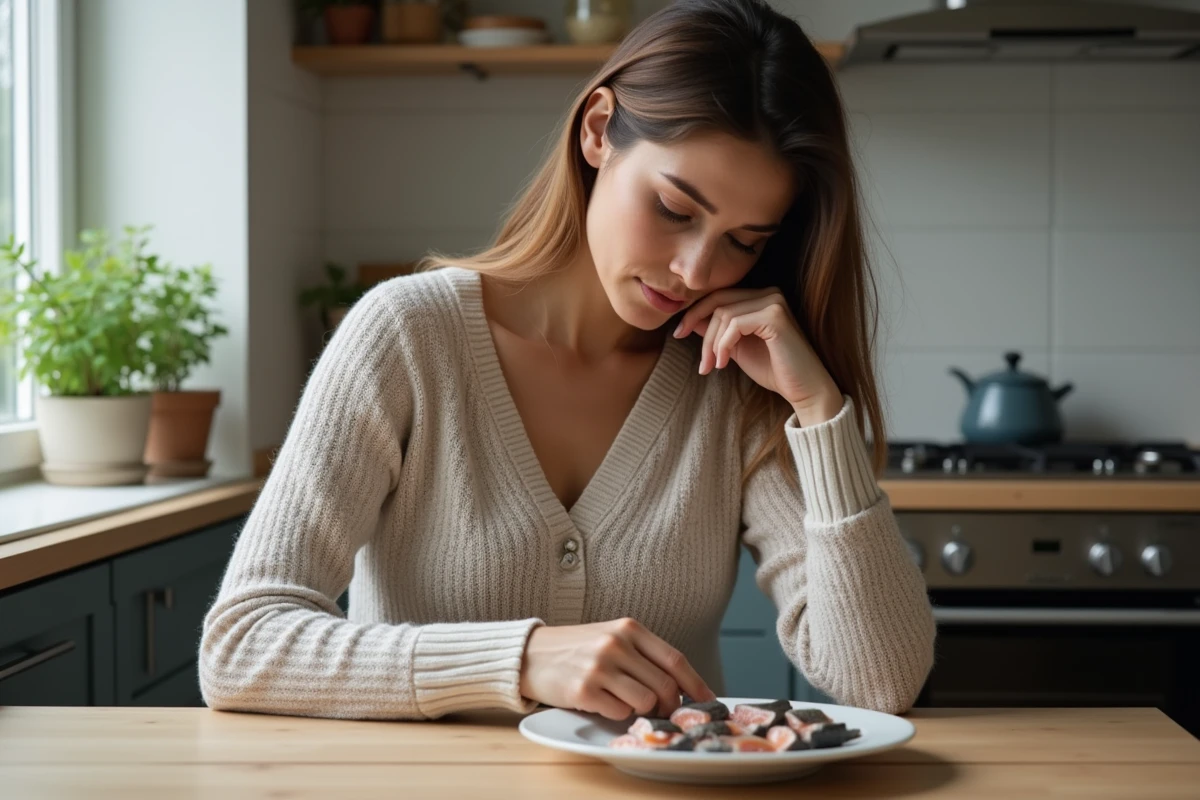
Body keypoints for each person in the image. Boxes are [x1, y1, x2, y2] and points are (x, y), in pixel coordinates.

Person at [199, 0, 935, 723]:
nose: (695, 268)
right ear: (597, 132)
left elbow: (880, 680)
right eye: (676, 209)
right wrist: (518, 660)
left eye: (742, 240)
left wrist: (819, 411)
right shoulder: (408, 337)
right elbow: (241, 645)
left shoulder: (735, 382)